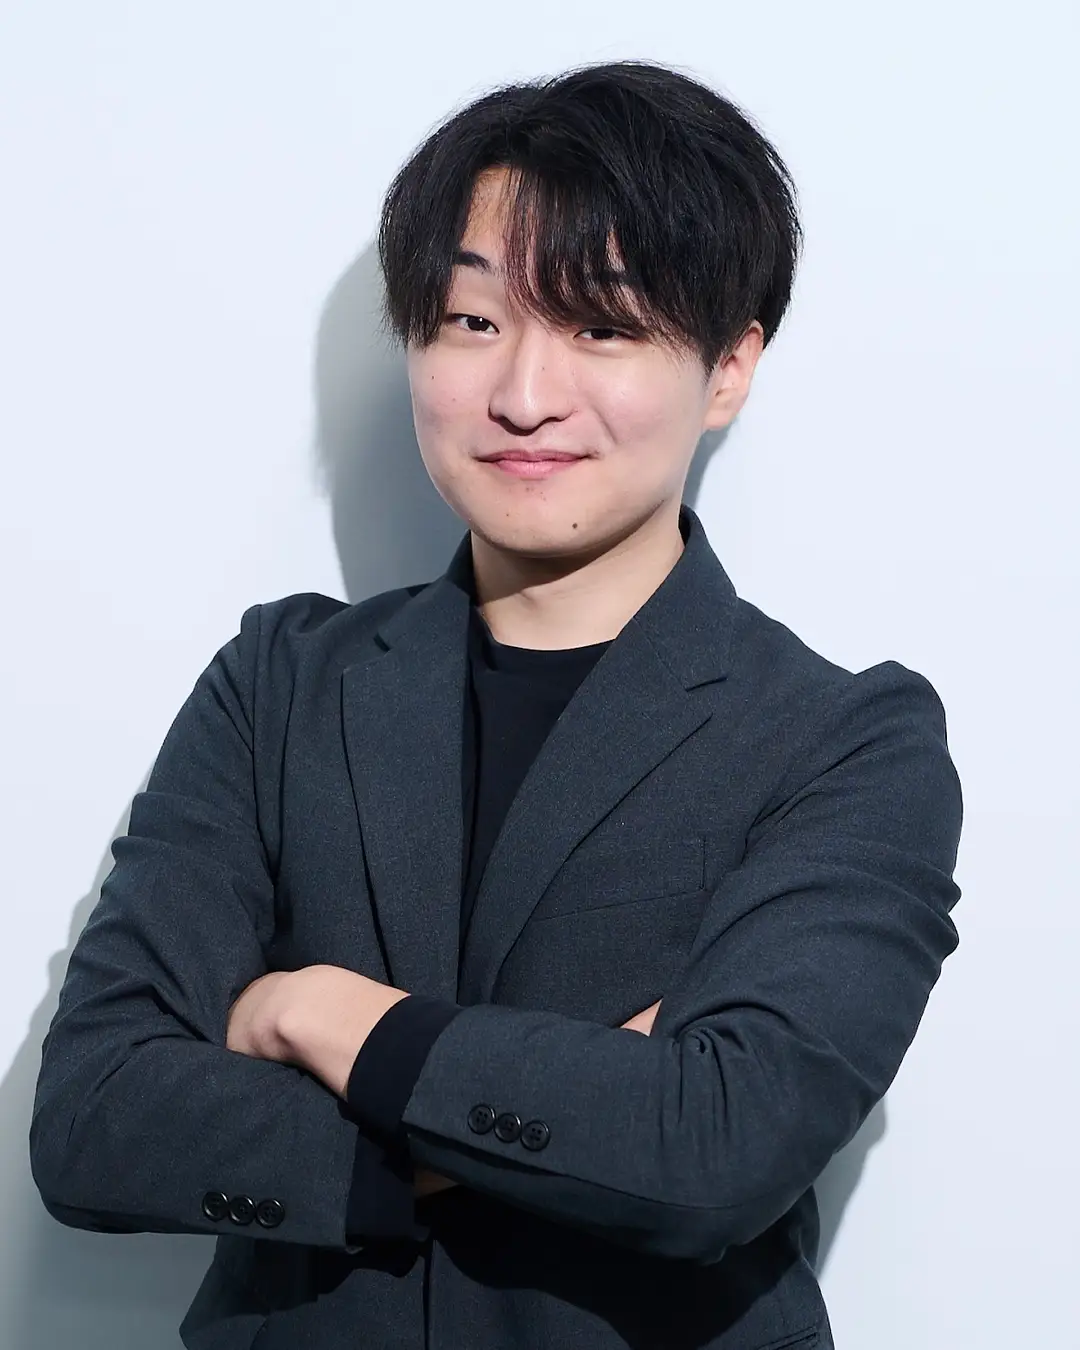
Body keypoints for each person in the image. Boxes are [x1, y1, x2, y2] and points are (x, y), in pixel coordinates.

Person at [29, 59, 963, 1350]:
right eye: (473, 321)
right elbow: (93, 1120)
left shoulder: (845, 741)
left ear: (730, 368)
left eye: (602, 326)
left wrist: (326, 1016)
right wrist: (589, 1102)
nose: (523, 394)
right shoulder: (280, 683)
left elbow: (718, 1150)